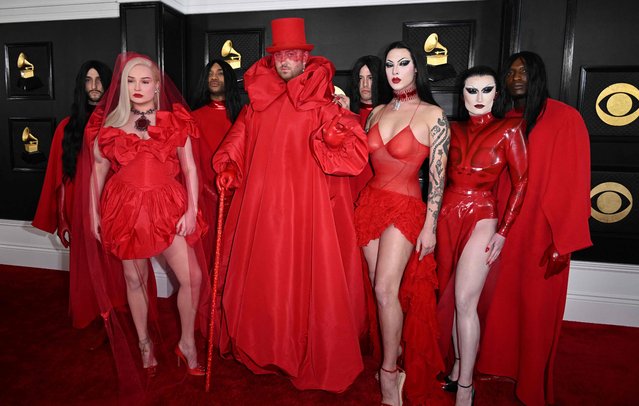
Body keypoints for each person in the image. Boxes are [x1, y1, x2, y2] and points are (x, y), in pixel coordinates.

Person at [213, 17, 368, 392]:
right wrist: (230, 162)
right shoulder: (258, 102)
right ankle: (265, 345)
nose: (285, 61)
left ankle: (304, 351)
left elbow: (354, 149)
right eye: (280, 54)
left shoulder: (322, 100)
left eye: (293, 54)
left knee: (306, 275)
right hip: (263, 206)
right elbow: (240, 137)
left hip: (307, 207)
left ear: (305, 57)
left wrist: (334, 133)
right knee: (267, 274)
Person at [86, 52, 211, 382]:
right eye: (130, 81)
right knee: (135, 280)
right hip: (124, 208)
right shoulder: (109, 125)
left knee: (193, 277)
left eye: (144, 81)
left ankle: (186, 344)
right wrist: (93, 213)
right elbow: (98, 172)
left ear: (157, 86)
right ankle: (144, 344)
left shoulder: (174, 121)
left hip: (168, 205)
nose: (137, 87)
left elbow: (190, 168)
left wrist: (192, 209)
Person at [476, 51, 592, 406]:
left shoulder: (564, 118)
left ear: (538, 74)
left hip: (544, 232)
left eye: (523, 70)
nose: (515, 76)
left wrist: (564, 241)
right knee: (499, 303)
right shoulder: (502, 119)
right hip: (504, 228)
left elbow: (574, 181)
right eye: (509, 71)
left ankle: (531, 385)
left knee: (537, 311)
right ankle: (499, 366)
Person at [353, 41, 450, 406]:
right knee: (382, 293)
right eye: (390, 64)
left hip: (407, 206)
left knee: (384, 290)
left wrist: (431, 225)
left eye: (403, 63)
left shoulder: (432, 114)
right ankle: (393, 357)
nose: (395, 70)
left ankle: (389, 372)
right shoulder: (375, 113)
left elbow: (439, 178)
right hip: (370, 205)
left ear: (415, 68)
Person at [435, 66, 528, 406]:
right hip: (447, 214)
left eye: (485, 90)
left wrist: (503, 231)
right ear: (462, 95)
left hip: (483, 216)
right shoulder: (450, 127)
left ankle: (466, 386)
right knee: (450, 297)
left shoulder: (511, 129)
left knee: (464, 301)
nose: (478, 98)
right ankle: (459, 367)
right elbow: (437, 179)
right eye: (471, 91)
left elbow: (522, 183)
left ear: (496, 94)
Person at [32, 60, 112, 329]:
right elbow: (60, 176)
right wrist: (62, 217)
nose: (94, 87)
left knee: (115, 263)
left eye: (99, 80)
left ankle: (117, 310)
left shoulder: (119, 124)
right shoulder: (66, 127)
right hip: (79, 207)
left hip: (114, 204)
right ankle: (91, 311)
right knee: (86, 265)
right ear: (81, 86)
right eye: (88, 81)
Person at [190, 59, 243, 346]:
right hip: (207, 202)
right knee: (209, 260)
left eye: (220, 73)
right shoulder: (194, 118)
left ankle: (234, 320)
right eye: (209, 73)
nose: (213, 77)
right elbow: (191, 164)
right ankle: (208, 321)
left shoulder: (243, 117)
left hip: (238, 201)